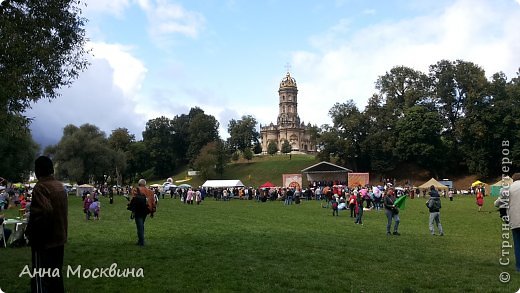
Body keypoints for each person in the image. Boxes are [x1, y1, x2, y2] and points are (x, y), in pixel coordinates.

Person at [25, 156, 68, 292]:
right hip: (59, 238)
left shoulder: (41, 187)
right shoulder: (59, 186)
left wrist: (31, 232)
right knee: (56, 276)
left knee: (40, 278)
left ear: (38, 170)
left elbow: (45, 210)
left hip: (44, 242)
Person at [128, 179, 155, 246]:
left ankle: (141, 241)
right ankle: (140, 240)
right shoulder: (150, 191)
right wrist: (152, 212)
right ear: (145, 184)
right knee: (141, 224)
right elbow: (153, 202)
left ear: (139, 184)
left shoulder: (135, 190)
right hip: (146, 209)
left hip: (138, 209)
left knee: (139, 225)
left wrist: (130, 206)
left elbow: (133, 200)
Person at [509, 173, 520, 272]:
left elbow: (500, 202)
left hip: (515, 221)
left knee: (517, 244)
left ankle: (519, 267)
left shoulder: (510, 188)